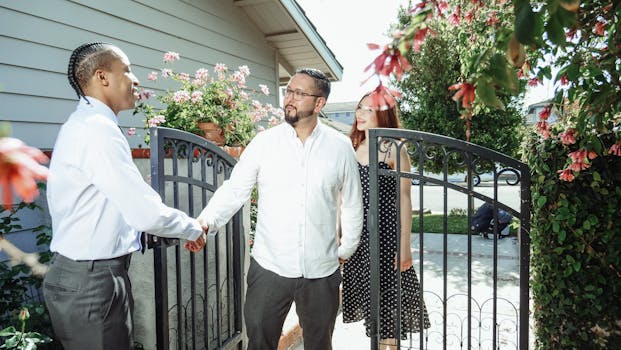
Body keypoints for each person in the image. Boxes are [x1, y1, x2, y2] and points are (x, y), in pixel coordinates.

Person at [43, 42, 205, 350]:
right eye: (127, 70)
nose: (136, 79)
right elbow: (144, 212)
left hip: (96, 276)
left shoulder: (91, 126)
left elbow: (119, 204)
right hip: (90, 281)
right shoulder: (96, 130)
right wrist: (192, 228)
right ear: (102, 77)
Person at [196, 68, 363, 350]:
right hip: (269, 268)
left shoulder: (340, 147)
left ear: (319, 103)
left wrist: (346, 249)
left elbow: (352, 203)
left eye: (299, 93)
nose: (289, 98)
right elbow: (236, 189)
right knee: (259, 342)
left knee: (320, 344)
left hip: (321, 272)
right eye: (288, 91)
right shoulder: (265, 143)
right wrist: (206, 220)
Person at [341, 91, 430, 349]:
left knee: (389, 309)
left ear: (383, 114)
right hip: (358, 236)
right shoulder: (351, 146)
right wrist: (339, 235)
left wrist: (405, 246)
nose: (361, 113)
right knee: (372, 308)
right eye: (360, 107)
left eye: (369, 109)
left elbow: (404, 199)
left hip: (387, 235)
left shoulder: (393, 148)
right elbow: (340, 197)